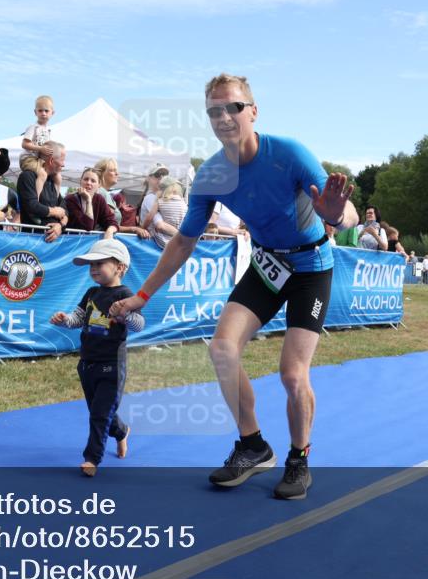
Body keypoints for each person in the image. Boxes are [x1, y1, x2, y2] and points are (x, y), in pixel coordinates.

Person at [110, 73, 357, 500]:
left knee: (292, 374)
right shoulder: (210, 175)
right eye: (214, 110)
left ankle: (298, 459)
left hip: (312, 266)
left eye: (233, 107)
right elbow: (183, 241)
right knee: (222, 349)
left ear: (253, 112)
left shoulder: (290, 153)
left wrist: (337, 215)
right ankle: (253, 445)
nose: (224, 117)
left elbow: (346, 212)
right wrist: (142, 294)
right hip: (267, 264)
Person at [50, 238, 143, 477]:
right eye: (90, 265)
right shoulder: (91, 293)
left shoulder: (126, 294)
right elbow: (79, 319)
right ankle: (121, 431)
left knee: (100, 415)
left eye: (99, 263)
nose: (93, 269)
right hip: (87, 364)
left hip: (112, 365)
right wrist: (64, 320)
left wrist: (124, 316)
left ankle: (92, 458)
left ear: (120, 267)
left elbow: (139, 324)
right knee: (99, 413)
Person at [17, 141, 68, 242]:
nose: (64, 164)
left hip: (53, 243)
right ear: (51, 160)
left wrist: (60, 225)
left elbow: (65, 210)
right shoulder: (27, 176)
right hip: (33, 240)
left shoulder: (53, 180)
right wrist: (54, 211)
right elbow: (32, 205)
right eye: (62, 160)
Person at [93, 158, 150, 238]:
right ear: (101, 173)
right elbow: (110, 224)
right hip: (101, 239)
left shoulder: (104, 193)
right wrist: (134, 229)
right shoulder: (102, 193)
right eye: (112, 170)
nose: (117, 173)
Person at [65, 168, 118, 238]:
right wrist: (88, 200)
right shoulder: (70, 199)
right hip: (71, 241)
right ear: (80, 181)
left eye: (93, 181)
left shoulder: (99, 199)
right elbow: (87, 226)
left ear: (99, 185)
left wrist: (110, 231)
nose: (88, 183)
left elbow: (112, 221)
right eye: (86, 179)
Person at [147, 176, 188, 249]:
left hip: (163, 241)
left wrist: (142, 228)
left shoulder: (159, 202)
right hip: (179, 243)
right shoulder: (184, 204)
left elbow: (150, 218)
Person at [22, 95, 55, 159]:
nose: (43, 113)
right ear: (35, 112)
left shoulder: (48, 130)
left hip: (38, 159)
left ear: (52, 113)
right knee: (40, 169)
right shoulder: (33, 127)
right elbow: (24, 144)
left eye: (46, 111)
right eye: (40, 110)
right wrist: (41, 148)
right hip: (29, 158)